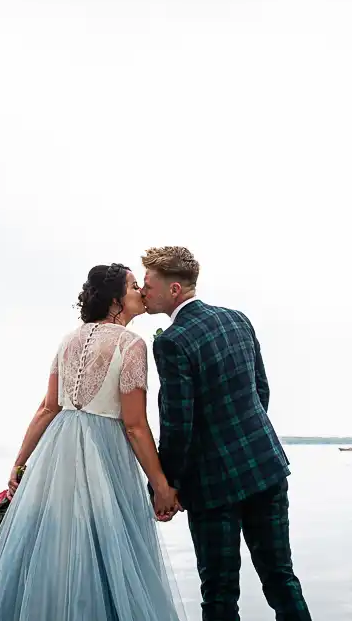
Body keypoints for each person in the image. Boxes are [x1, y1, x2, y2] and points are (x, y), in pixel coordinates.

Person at [0, 263, 187, 621]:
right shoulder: (131, 344)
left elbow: (48, 408)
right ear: (116, 300)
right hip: (106, 454)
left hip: (57, 456)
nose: (140, 292)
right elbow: (135, 426)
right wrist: (160, 485)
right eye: (133, 287)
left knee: (59, 550)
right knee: (109, 549)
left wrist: (20, 465)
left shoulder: (68, 339)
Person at [140, 246, 312, 621]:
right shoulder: (237, 319)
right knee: (282, 579)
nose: (142, 291)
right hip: (265, 467)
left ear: (174, 290)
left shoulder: (171, 341)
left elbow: (177, 423)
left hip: (212, 485)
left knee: (218, 594)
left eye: (148, 284)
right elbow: (261, 390)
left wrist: (166, 485)